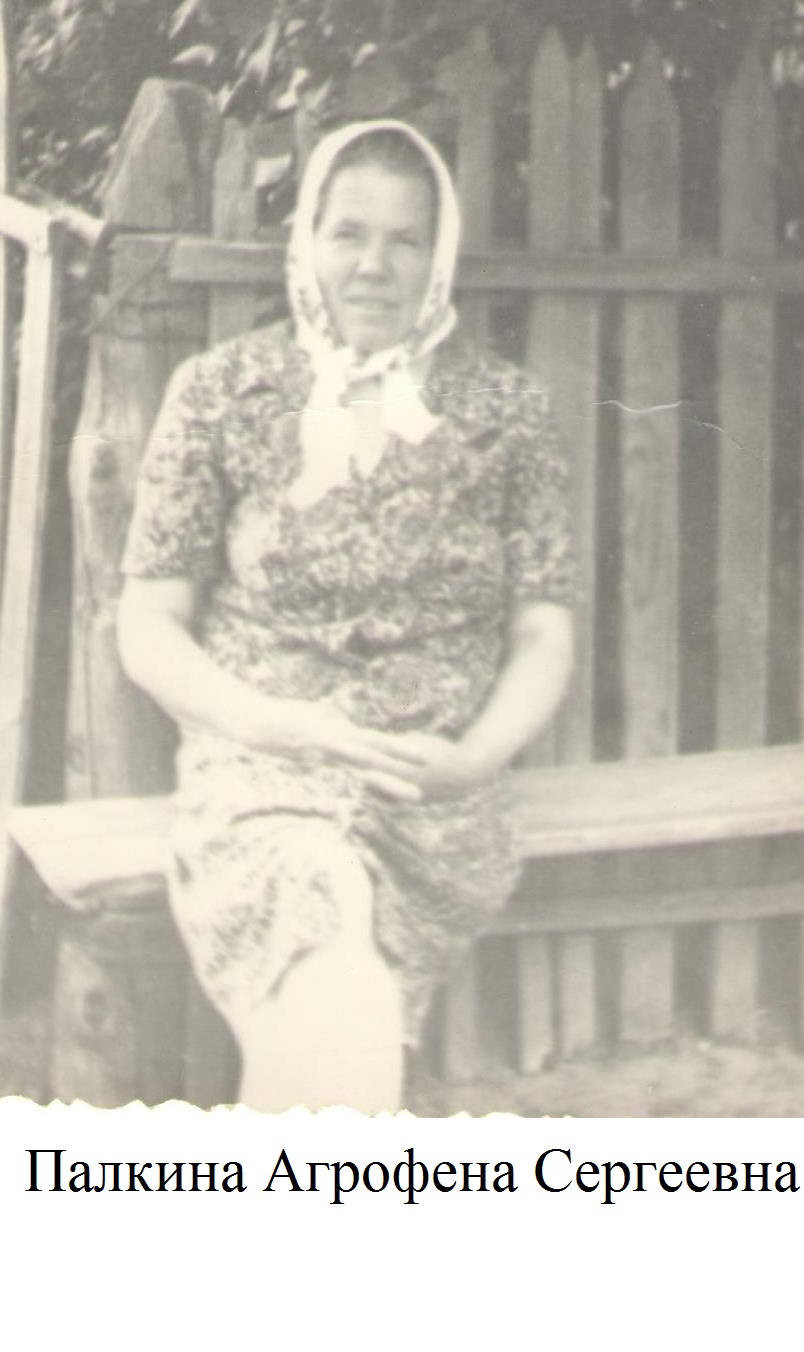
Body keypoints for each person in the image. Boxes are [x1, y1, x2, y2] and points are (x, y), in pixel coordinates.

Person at [117, 118, 576, 1113]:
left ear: (438, 257)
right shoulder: (222, 393)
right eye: (349, 234)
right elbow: (148, 623)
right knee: (338, 1003)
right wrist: (275, 725)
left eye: (405, 240)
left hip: (432, 795)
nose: (374, 264)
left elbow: (545, 628)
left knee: (330, 1038)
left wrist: (475, 758)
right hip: (263, 774)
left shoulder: (506, 409)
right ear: (307, 243)